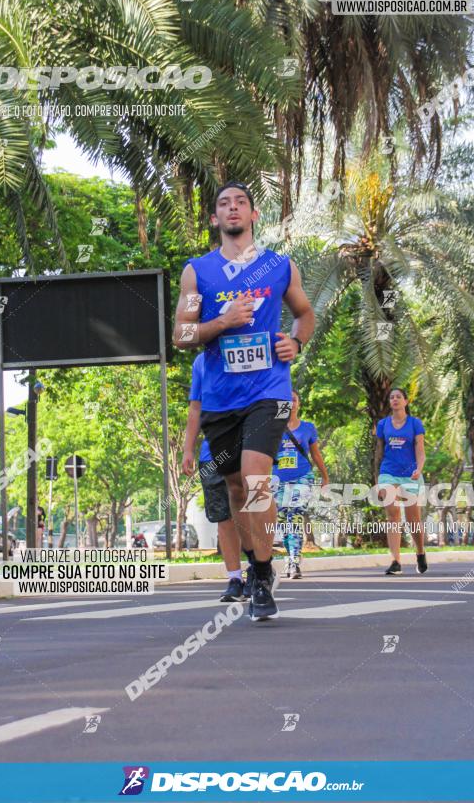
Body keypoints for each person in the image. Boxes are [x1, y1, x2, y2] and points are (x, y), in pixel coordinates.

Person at [173, 181, 315, 621]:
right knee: (236, 486)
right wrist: (222, 321)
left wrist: (297, 341)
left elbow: (305, 313)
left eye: (241, 203)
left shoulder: (279, 267)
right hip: (220, 398)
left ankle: (264, 569)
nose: (232, 209)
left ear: (254, 215)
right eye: (223, 204)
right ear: (215, 218)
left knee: (256, 478)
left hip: (269, 391)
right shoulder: (197, 273)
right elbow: (181, 334)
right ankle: (255, 566)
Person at [183, 351, 256, 602]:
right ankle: (235, 578)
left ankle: (258, 569)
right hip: (212, 452)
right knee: (223, 517)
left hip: (250, 447)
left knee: (252, 510)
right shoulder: (201, 362)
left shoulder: (250, 349)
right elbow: (196, 407)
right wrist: (188, 449)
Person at [272, 389, 329, 578]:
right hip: (278, 479)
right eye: (286, 400)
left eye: (294, 400)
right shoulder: (273, 427)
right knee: (282, 519)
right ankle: (290, 557)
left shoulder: (308, 428)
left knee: (295, 515)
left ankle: (295, 561)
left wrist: (324, 476)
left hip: (303, 477)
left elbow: (316, 454)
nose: (290, 403)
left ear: (299, 404)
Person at [375, 387, 428, 575]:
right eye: (392, 397)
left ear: (406, 401)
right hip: (388, 472)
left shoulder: (415, 423)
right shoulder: (382, 424)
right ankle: (395, 561)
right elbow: (379, 451)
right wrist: (378, 478)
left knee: (413, 519)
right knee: (392, 514)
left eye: (399, 397)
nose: (395, 399)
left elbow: (420, 450)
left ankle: (420, 552)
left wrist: (418, 469)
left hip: (410, 474)